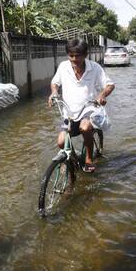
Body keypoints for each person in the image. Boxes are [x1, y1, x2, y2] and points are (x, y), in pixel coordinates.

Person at [48, 39, 115, 173]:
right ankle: (69, 159)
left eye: (77, 55)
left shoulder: (95, 67)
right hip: (69, 113)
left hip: (88, 109)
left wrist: (101, 95)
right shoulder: (63, 67)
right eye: (71, 55)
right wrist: (54, 92)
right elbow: (55, 83)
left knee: (85, 128)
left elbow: (110, 85)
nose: (74, 59)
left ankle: (89, 158)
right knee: (61, 142)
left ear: (85, 54)